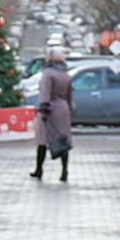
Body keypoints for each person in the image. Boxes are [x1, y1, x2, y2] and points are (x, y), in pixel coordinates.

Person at [30, 47, 73, 182]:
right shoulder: (65, 74)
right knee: (62, 140)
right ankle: (64, 171)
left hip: (50, 109)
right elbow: (69, 94)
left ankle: (39, 169)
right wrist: (69, 106)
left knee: (42, 141)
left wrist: (43, 107)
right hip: (63, 109)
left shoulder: (48, 73)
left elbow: (45, 91)